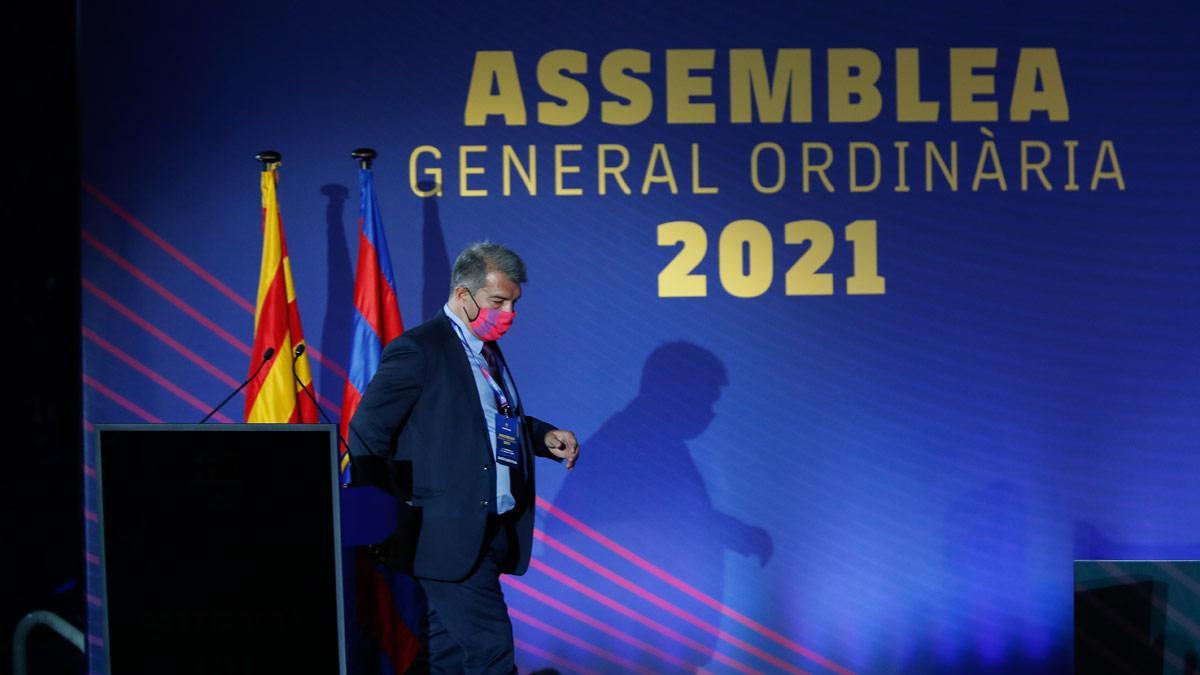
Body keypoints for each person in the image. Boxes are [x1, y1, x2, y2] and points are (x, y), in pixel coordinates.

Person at [348, 241, 580, 674]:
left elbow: (488, 423)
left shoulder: (486, 351)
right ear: (463, 296)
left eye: (513, 302)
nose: (509, 312)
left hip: (485, 532)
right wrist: (381, 507)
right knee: (491, 653)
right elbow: (368, 429)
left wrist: (542, 436)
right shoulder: (419, 349)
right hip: (443, 531)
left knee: (450, 656)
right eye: (498, 301)